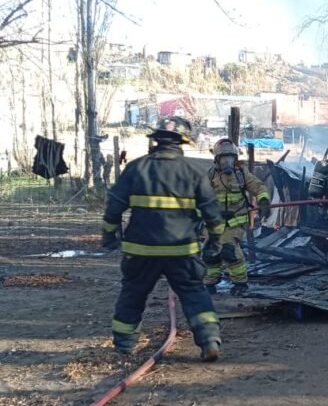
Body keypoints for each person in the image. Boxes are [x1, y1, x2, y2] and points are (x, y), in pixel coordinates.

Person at [101, 117, 225, 361]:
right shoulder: (194, 171)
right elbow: (213, 213)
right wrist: (216, 242)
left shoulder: (136, 168)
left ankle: (125, 346)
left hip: (140, 250)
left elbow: (114, 206)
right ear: (182, 142)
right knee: (194, 293)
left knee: (133, 293)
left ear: (155, 140)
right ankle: (210, 340)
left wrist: (108, 235)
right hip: (182, 251)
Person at [203, 139, 270, 296]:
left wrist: (264, 200)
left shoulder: (241, 174)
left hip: (234, 223)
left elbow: (259, 187)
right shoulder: (209, 176)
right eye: (224, 158)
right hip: (213, 224)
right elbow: (199, 198)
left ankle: (240, 284)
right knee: (210, 254)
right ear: (217, 159)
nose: (228, 162)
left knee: (230, 252)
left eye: (231, 158)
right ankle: (209, 284)